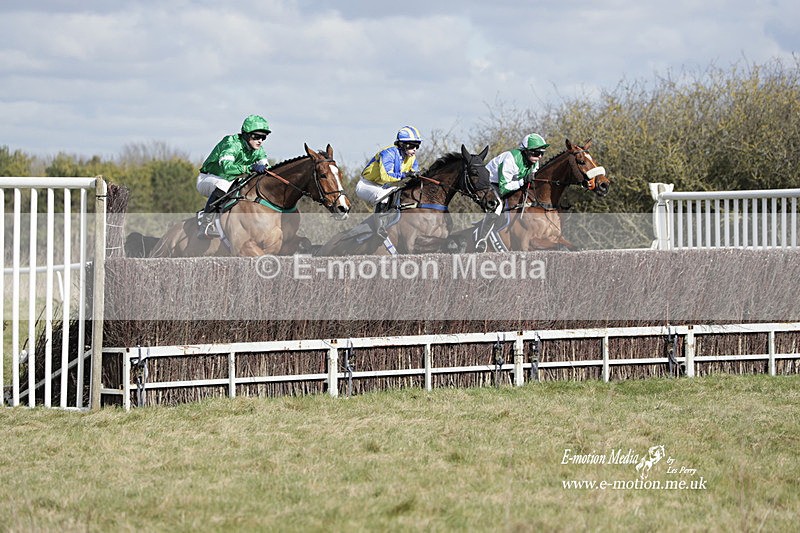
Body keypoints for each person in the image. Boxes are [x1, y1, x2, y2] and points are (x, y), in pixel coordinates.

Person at [195, 114, 271, 238]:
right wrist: (249, 168)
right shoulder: (231, 144)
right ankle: (206, 223)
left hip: (232, 180)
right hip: (208, 178)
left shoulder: (259, 150)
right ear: (246, 135)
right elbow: (227, 168)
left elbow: (266, 169)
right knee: (224, 183)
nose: (260, 141)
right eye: (257, 136)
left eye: (263, 137)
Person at [355, 125, 423, 211]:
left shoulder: (411, 158)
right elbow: (386, 176)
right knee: (386, 196)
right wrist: (406, 174)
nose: (415, 149)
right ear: (402, 144)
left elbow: (415, 173)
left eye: (417, 146)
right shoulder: (388, 153)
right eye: (412, 146)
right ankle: (380, 224)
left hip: (383, 186)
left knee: (401, 193)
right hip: (366, 185)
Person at [485, 133, 549, 197]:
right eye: (537, 153)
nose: (540, 156)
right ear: (526, 151)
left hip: (509, 182)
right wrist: (523, 181)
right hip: (489, 182)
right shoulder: (511, 160)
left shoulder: (534, 161)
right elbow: (503, 189)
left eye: (542, 153)